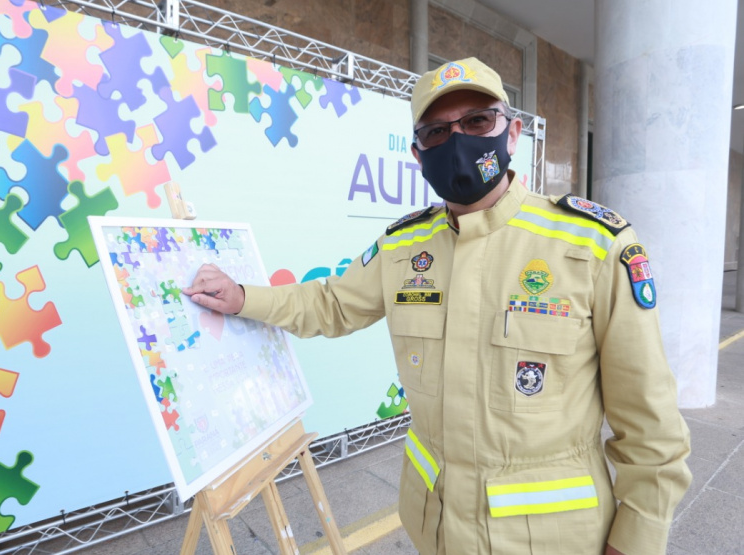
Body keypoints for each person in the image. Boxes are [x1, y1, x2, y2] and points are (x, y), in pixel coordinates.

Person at [183, 57, 691, 555]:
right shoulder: (404, 244)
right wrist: (244, 297)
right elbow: (332, 303)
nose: (458, 140)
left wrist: (636, 543)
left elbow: (652, 430)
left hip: (551, 539)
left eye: (477, 121)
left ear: (511, 134)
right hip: (436, 528)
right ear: (418, 153)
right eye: (437, 133)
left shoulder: (593, 246)